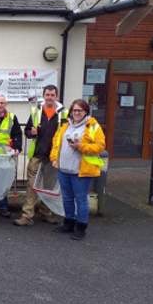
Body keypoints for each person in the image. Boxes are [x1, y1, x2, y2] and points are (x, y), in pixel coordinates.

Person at [50, 99, 105, 240]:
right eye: (74, 110)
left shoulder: (93, 126)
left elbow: (100, 146)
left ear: (85, 111)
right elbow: (56, 143)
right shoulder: (65, 126)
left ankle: (81, 227)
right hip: (64, 169)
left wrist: (81, 146)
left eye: (80, 110)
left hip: (81, 171)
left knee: (81, 199)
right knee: (67, 198)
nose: (77, 113)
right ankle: (69, 223)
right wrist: (54, 158)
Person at [14, 85, 67, 226]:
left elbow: (66, 133)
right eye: (47, 95)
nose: (50, 97)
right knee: (32, 187)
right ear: (44, 96)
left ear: (57, 96)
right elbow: (27, 131)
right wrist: (31, 133)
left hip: (53, 157)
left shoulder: (64, 113)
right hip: (37, 155)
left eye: (52, 95)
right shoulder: (36, 111)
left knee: (48, 187)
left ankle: (46, 212)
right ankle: (27, 215)